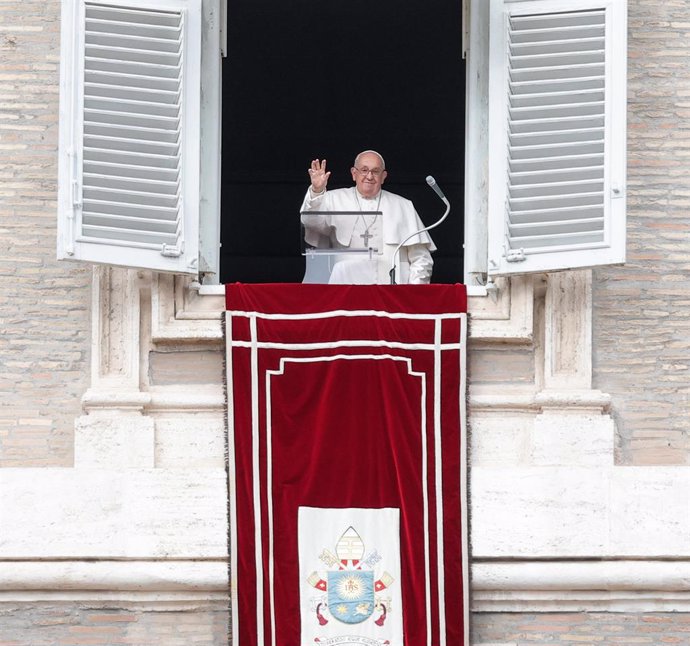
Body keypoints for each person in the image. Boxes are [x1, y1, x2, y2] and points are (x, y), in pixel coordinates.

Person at [300, 150, 435, 284]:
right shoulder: (333, 199)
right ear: (354, 173)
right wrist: (316, 191)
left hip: (392, 295)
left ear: (384, 176)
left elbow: (421, 259)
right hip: (345, 292)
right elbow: (311, 223)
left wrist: (411, 294)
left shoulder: (403, 206)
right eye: (364, 170)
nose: (369, 176)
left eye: (375, 171)